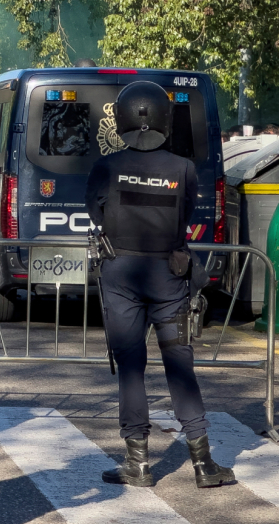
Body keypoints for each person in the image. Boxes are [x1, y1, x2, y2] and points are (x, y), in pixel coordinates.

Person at [86, 81, 236, 490]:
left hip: (120, 278)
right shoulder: (183, 169)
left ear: (121, 120)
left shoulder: (106, 166)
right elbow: (185, 216)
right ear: (165, 120)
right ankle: (203, 464)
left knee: (131, 371)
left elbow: (94, 212)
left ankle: (138, 464)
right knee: (180, 367)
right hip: (170, 277)